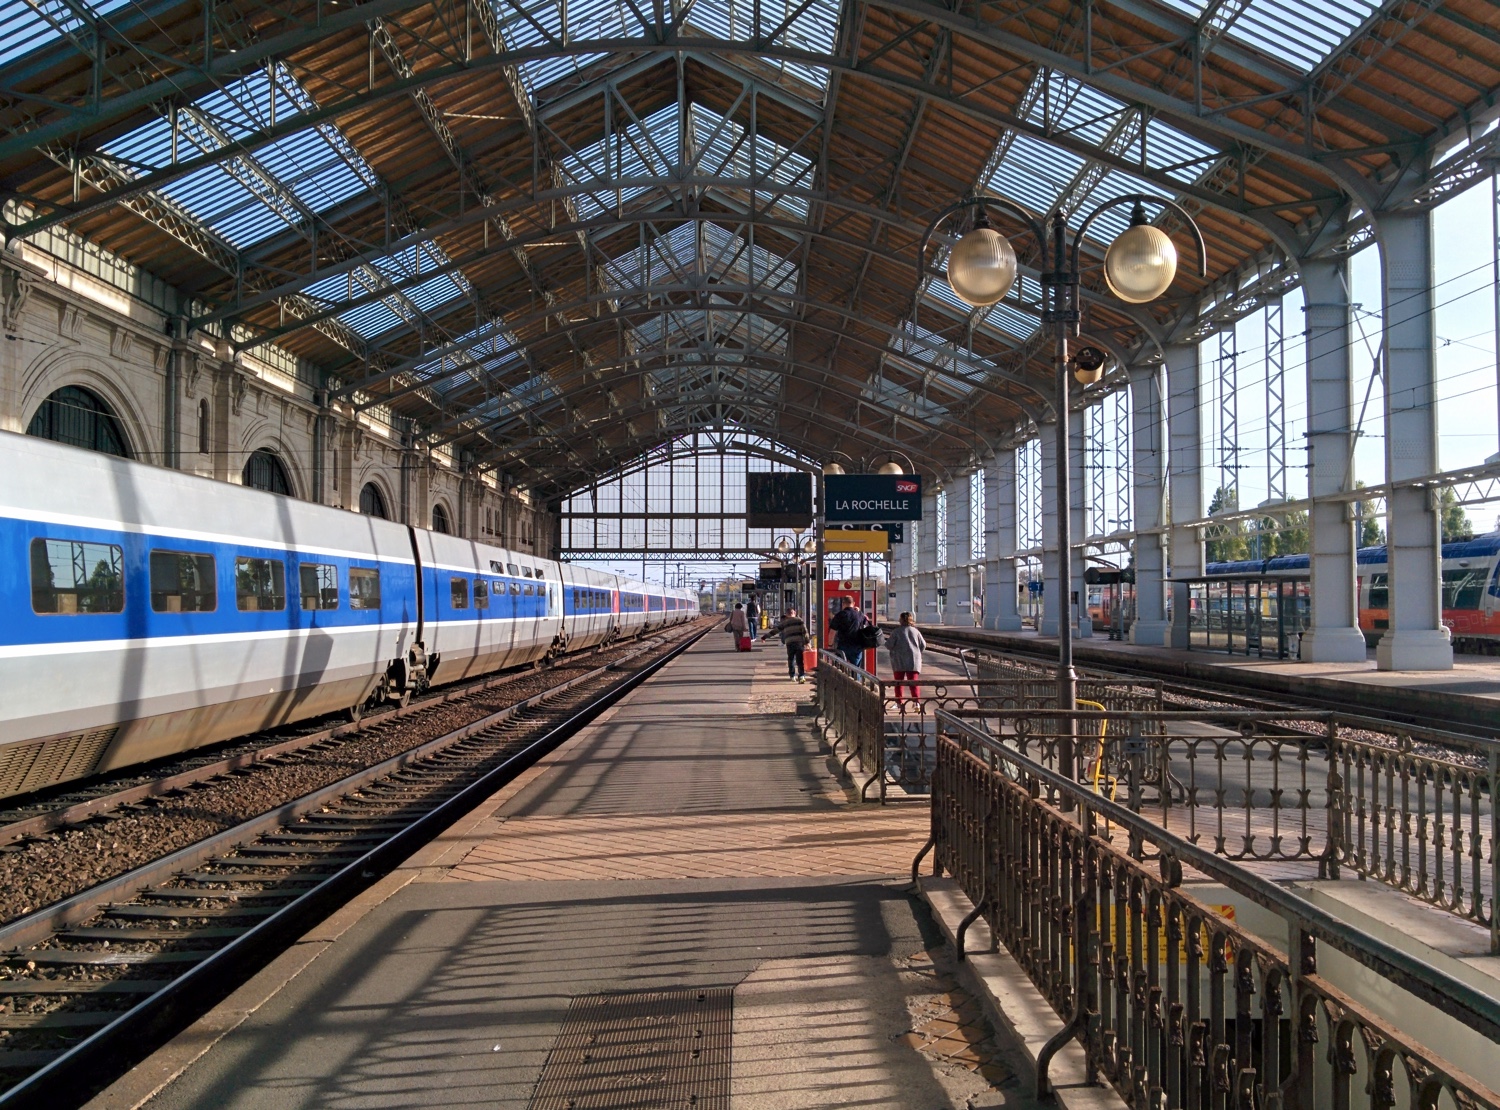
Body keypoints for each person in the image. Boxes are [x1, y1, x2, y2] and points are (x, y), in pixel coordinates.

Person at [887, 611, 926, 706]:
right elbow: (923, 645)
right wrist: (917, 652)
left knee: (899, 682)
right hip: (913, 660)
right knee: (913, 682)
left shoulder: (896, 632)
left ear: (900, 620)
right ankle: (916, 702)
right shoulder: (916, 631)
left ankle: (899, 702)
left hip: (899, 660)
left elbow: (889, 645)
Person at [763, 607, 809, 682]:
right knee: (800, 660)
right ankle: (801, 676)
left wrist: (764, 637)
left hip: (789, 643)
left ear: (787, 615)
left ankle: (792, 676)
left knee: (791, 659)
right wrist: (807, 642)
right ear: (794, 613)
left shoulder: (785, 622)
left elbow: (775, 631)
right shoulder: (799, 621)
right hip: (799, 643)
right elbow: (805, 632)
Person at [828, 597, 867, 666]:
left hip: (843, 646)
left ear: (843, 604)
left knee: (840, 668)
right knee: (855, 670)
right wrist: (859, 611)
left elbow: (832, 632)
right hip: (856, 646)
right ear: (853, 604)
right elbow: (866, 620)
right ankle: (856, 676)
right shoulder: (859, 614)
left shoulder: (839, 615)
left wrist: (830, 645)